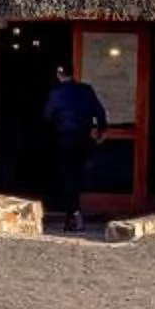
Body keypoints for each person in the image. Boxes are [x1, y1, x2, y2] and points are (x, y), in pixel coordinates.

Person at [41, 65, 108, 229]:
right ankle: (74, 214)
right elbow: (100, 112)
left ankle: (74, 214)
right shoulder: (86, 90)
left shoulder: (56, 94)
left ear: (59, 75)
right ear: (73, 73)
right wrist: (100, 131)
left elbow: (47, 117)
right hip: (84, 138)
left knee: (67, 177)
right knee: (78, 175)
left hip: (66, 138)